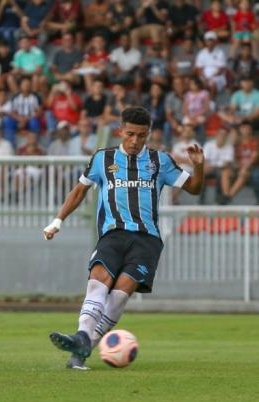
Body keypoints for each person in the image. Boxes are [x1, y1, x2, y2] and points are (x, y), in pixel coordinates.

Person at [43, 106, 205, 370]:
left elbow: (195, 189)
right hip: (112, 234)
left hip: (147, 239)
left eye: (142, 136)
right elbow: (79, 190)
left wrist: (199, 167)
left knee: (119, 296)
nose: (135, 141)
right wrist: (57, 220)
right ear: (120, 131)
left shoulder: (160, 161)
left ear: (148, 134)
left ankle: (81, 352)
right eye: (130, 134)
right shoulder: (102, 159)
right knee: (99, 281)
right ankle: (82, 336)